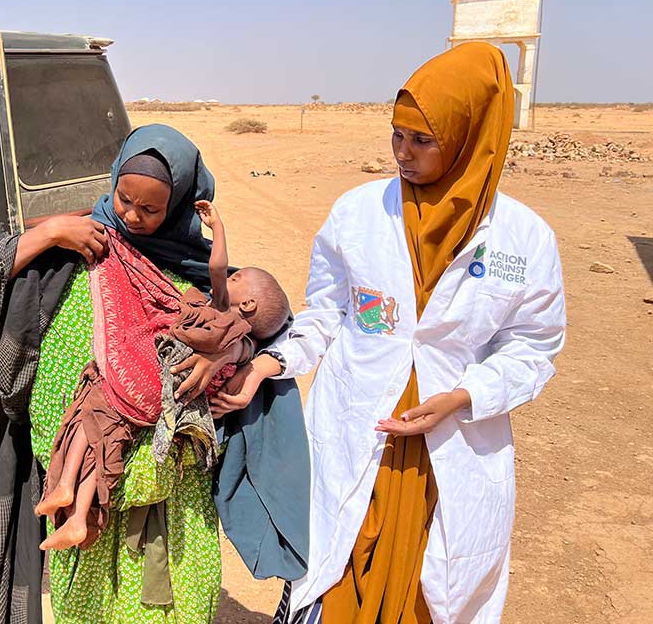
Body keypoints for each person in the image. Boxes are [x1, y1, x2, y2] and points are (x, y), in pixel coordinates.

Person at [0, 123, 310, 624]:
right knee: (85, 600)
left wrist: (236, 353)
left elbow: (268, 328)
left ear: (179, 203)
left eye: (151, 209)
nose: (131, 215)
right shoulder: (81, 240)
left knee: (167, 603)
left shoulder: (198, 267)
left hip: (167, 487)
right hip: (75, 452)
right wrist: (48, 233)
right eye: (124, 199)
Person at [214, 42, 566, 623]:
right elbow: (327, 314)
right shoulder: (357, 214)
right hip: (359, 431)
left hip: (447, 449)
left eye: (422, 139)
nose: (403, 152)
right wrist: (265, 367)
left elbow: (534, 346)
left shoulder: (524, 240)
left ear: (470, 136)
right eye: (396, 135)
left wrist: (464, 396)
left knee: (429, 587)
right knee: (339, 574)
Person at [35, 193, 291, 552]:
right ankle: (77, 519)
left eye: (239, 279)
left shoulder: (221, 314)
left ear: (247, 304)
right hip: (160, 405)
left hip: (140, 380)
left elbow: (217, 266)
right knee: (110, 435)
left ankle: (65, 486)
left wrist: (217, 228)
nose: (229, 278)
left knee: (91, 409)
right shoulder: (239, 348)